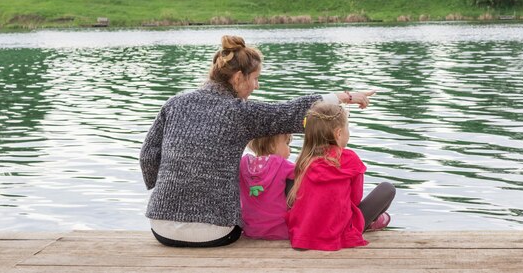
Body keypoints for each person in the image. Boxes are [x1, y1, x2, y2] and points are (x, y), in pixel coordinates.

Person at [140, 35, 374, 248]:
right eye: (255, 78)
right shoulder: (240, 112)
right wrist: (344, 97)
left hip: (161, 229)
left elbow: (148, 156)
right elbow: (288, 113)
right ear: (239, 77)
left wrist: (168, 189)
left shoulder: (174, 104)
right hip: (216, 232)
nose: (256, 85)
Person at [285, 101, 396, 251]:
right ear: (338, 133)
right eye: (347, 127)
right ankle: (373, 221)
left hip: (303, 234)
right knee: (387, 189)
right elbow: (355, 200)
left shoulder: (303, 160)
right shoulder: (349, 158)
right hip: (337, 233)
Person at [239, 133, 294, 240]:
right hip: (279, 230)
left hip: (250, 230)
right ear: (273, 146)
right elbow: (304, 173)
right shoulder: (281, 164)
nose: (289, 149)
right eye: (287, 144)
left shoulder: (243, 163)